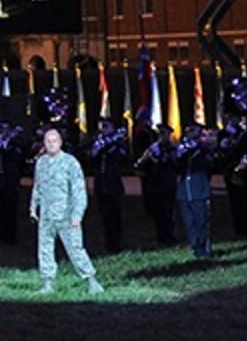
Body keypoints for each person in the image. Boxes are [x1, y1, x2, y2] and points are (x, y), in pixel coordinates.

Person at [29, 126, 104, 294]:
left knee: (75, 249)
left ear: (60, 142)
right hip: (47, 216)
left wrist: (77, 214)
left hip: (66, 215)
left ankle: (92, 281)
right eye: (48, 141)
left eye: (54, 141)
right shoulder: (41, 162)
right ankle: (47, 283)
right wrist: (33, 207)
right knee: (45, 249)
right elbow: (38, 187)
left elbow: (79, 191)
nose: (51, 144)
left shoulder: (70, 163)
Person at [172, 122, 216, 260]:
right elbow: (176, 166)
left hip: (199, 189)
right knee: (189, 221)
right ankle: (195, 246)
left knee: (201, 220)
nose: (190, 133)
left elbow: (209, 166)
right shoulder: (183, 149)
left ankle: (203, 247)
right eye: (189, 131)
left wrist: (200, 148)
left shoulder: (204, 149)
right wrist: (180, 153)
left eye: (194, 131)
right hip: (185, 190)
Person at [87, 118, 129, 253]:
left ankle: (117, 243)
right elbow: (92, 159)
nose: (103, 129)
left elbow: (124, 158)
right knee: (105, 215)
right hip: (101, 183)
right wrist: (99, 147)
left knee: (115, 214)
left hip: (113, 183)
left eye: (106, 126)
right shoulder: (98, 143)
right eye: (102, 126)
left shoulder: (118, 144)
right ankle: (108, 243)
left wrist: (115, 144)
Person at [0, 122, 27, 245]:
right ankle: (1, 235)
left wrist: (7, 146)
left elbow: (18, 157)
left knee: (11, 210)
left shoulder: (15, 143)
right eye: (1, 130)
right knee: (0, 210)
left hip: (10, 182)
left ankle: (11, 236)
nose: (2, 132)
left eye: (5, 129)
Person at [136, 126, 179, 246]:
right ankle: (160, 237)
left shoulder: (172, 148)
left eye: (163, 133)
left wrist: (155, 158)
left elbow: (169, 163)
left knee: (169, 213)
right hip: (155, 185)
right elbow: (142, 166)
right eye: (159, 133)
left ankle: (170, 237)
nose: (161, 136)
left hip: (168, 185)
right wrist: (145, 159)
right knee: (157, 213)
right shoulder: (153, 148)